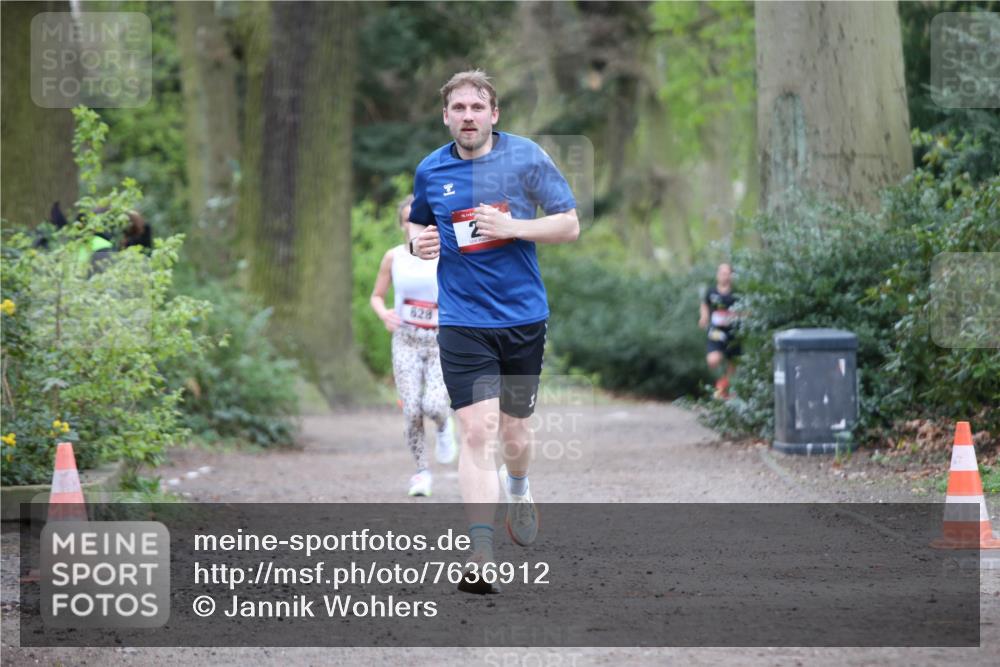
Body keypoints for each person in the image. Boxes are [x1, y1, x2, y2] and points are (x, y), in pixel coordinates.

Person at [407, 70, 579, 593]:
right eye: (457, 108)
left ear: (494, 114)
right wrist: (418, 244)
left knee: (514, 434)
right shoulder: (431, 170)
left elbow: (569, 224)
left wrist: (515, 228)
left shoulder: (526, 157)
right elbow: (417, 222)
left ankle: (520, 489)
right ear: (445, 116)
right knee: (476, 433)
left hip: (523, 318)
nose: (467, 116)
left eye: (476, 108)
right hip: (462, 321)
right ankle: (479, 554)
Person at [370, 195, 457, 497]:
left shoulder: (447, 254)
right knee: (411, 410)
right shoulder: (394, 257)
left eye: (421, 221)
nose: (415, 226)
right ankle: (421, 472)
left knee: (432, 405)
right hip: (405, 340)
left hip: (439, 341)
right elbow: (377, 296)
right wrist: (384, 314)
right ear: (403, 223)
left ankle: (445, 426)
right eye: (410, 220)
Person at [699, 262, 740, 399]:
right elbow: (705, 304)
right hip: (716, 332)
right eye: (721, 273)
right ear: (717, 275)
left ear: (731, 276)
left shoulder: (736, 294)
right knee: (713, 360)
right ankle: (721, 387)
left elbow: (747, 311)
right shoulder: (711, 291)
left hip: (733, 334)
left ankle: (724, 391)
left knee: (732, 367)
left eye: (726, 273)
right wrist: (704, 317)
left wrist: (736, 316)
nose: (723, 276)